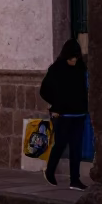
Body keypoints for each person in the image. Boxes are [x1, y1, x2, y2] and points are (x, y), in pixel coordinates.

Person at [39, 38, 90, 191]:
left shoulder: (81, 68)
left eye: (76, 57)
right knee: (60, 144)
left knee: (76, 147)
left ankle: (75, 180)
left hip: (79, 114)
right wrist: (55, 106)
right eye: (71, 58)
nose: (74, 60)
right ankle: (50, 171)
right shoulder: (56, 69)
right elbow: (44, 90)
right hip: (62, 115)